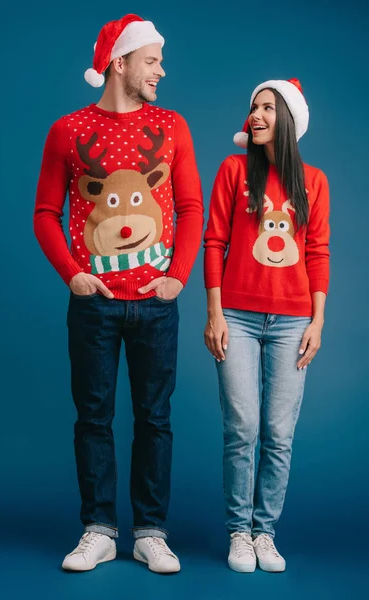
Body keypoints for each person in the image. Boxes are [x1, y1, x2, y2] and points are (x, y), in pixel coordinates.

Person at [34, 13, 203, 574]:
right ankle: (99, 529)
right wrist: (71, 275)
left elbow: (189, 208)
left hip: (156, 304)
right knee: (94, 417)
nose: (161, 70)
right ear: (120, 63)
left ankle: (151, 531)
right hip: (94, 305)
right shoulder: (68, 130)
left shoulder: (173, 126)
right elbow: (45, 214)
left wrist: (178, 275)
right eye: (152, 60)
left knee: (155, 417)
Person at [203, 78, 330, 573]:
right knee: (243, 428)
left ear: (289, 120)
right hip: (235, 313)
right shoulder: (234, 171)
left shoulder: (313, 182)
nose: (255, 116)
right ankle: (239, 531)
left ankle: (264, 533)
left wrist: (318, 320)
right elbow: (214, 242)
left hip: (293, 321)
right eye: (253, 107)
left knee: (279, 433)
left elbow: (317, 251)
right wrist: (213, 311)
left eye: (266, 108)